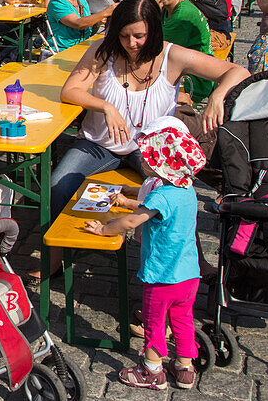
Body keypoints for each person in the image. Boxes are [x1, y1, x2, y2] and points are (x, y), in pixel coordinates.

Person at [31, 0, 248, 283]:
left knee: (175, 192)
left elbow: (238, 71)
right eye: (124, 35)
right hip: (99, 143)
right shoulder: (103, 51)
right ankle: (54, 260)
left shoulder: (172, 55)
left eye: (139, 36)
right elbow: (70, 91)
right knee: (58, 185)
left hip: (150, 148)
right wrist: (105, 107)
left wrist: (217, 96)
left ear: (154, 32)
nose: (132, 43)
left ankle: (193, 259)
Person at [83, 131, 205, 390]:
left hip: (162, 276)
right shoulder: (187, 190)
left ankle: (152, 371)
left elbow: (131, 221)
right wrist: (131, 198)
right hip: (189, 275)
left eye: (149, 159)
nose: (143, 162)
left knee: (154, 322)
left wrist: (104, 229)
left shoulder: (161, 197)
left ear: (163, 165)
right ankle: (185, 368)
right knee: (183, 319)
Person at [160, 0, 213, 102]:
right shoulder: (168, 9)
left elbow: (163, 51)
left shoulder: (182, 14)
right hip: (190, 68)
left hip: (197, 78)